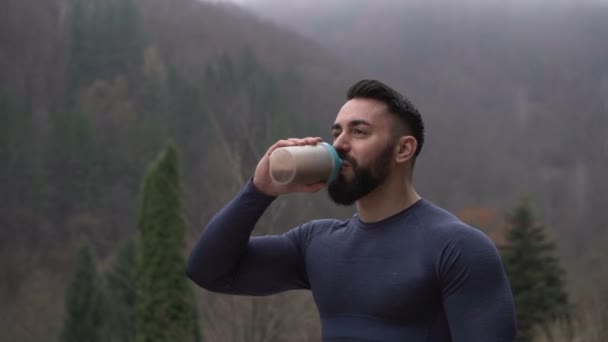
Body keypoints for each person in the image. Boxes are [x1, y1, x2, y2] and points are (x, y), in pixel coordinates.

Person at [186, 79, 517, 341]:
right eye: (336, 132)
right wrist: (258, 191)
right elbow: (209, 271)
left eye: (359, 131)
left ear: (403, 149)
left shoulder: (457, 248)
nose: (340, 144)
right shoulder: (317, 244)